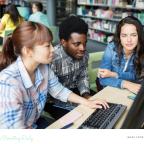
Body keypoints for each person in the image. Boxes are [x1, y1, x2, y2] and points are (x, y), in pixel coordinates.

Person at [0, 21, 108, 129]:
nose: (53, 49)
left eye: (51, 44)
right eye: (47, 46)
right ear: (28, 51)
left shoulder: (43, 68)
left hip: (35, 121)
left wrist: (87, 101)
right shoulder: (9, 83)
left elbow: (58, 90)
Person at [46, 16, 96, 115]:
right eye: (77, 44)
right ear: (63, 42)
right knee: (83, 116)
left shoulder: (84, 55)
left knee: (101, 105)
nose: (83, 48)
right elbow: (55, 92)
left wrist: (86, 96)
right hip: (54, 99)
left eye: (84, 43)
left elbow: (83, 77)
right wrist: (82, 103)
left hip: (75, 90)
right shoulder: (51, 59)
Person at [98, 16, 144, 94]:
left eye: (133, 35)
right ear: (119, 37)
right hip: (111, 90)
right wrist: (126, 83)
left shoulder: (141, 50)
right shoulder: (111, 48)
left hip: (129, 91)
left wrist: (114, 74)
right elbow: (103, 79)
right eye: (124, 35)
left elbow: (136, 76)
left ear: (139, 36)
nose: (129, 40)